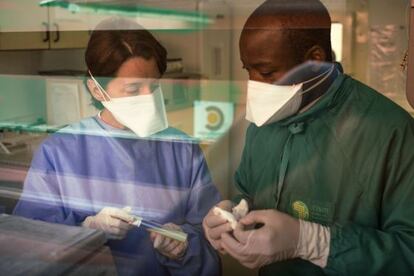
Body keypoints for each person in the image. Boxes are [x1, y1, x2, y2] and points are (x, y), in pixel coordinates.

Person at [203, 0, 414, 275]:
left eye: (266, 72)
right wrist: (234, 214)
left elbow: (408, 252)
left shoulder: (390, 131)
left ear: (314, 60)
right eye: (248, 71)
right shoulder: (263, 122)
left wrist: (314, 243)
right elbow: (248, 191)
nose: (253, 86)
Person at [13, 18, 220, 276]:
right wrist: (87, 230)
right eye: (133, 89)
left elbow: (211, 236)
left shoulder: (180, 148)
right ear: (97, 90)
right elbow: (31, 242)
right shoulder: (59, 152)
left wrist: (184, 246)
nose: (148, 99)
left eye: (153, 87)